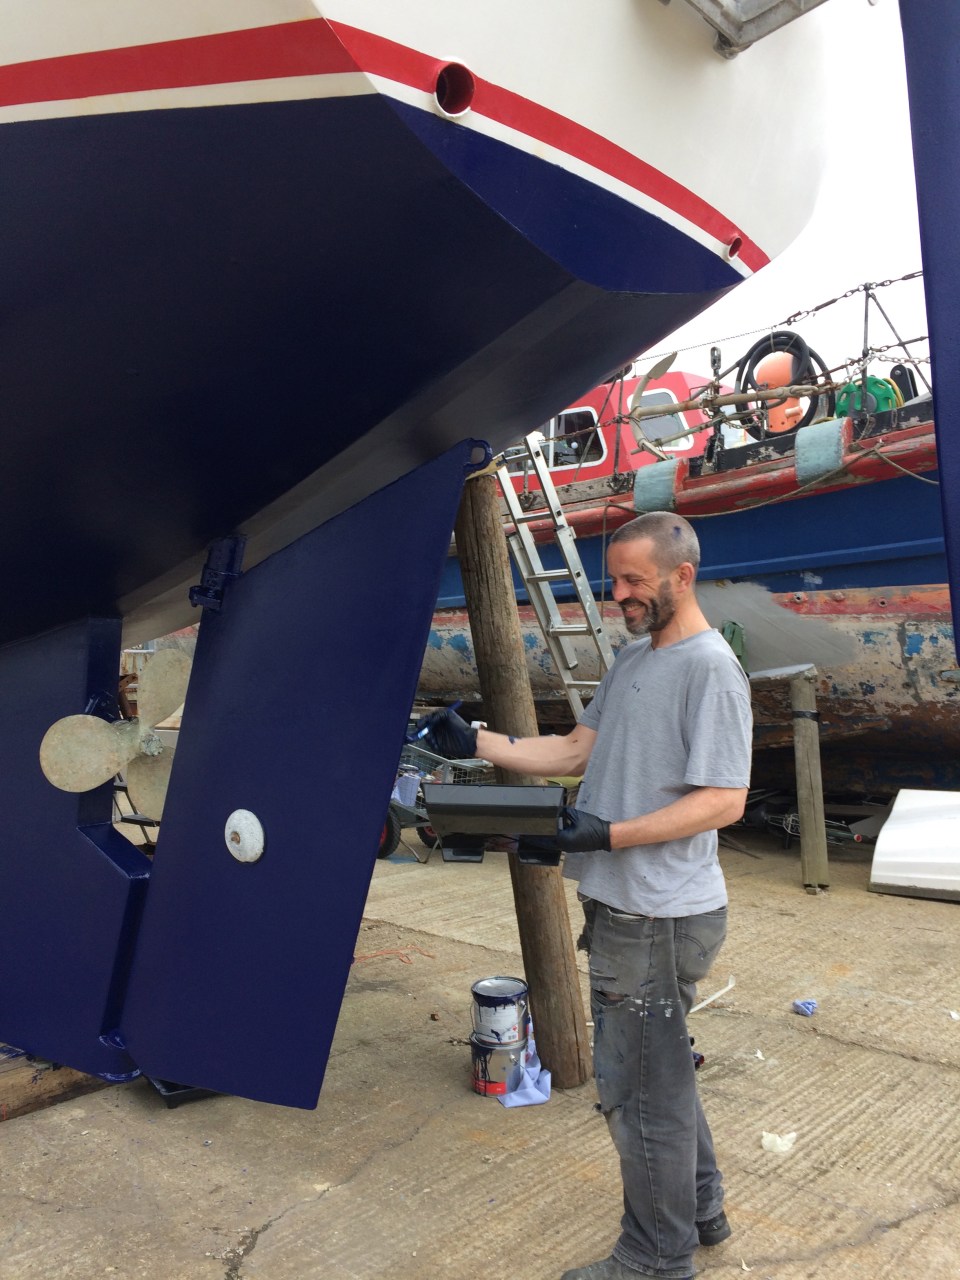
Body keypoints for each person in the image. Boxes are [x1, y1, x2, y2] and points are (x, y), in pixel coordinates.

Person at [417, 510, 752, 1280]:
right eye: (616, 580)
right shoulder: (637, 660)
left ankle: (656, 1257)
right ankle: (701, 1208)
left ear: (682, 576)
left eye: (636, 581)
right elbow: (572, 749)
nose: (620, 595)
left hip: (659, 914)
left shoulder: (709, 668)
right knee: (659, 1074)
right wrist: (479, 742)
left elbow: (724, 800)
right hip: (632, 906)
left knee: (638, 1094)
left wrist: (605, 835)